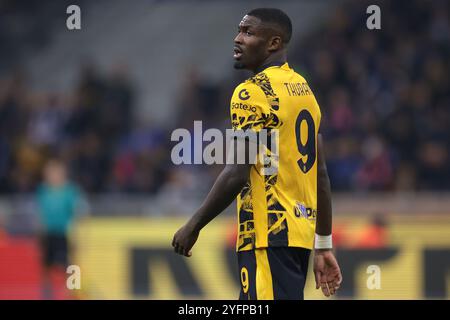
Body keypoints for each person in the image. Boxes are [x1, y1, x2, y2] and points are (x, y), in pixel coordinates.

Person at [172, 8, 342, 300]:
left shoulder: (251, 93)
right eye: (239, 31)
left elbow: (238, 171)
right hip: (297, 239)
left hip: (267, 237)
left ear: (273, 43)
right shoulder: (303, 91)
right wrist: (323, 244)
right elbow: (321, 176)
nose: (237, 39)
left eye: (248, 33)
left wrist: (193, 225)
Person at [36, 158, 87, 299]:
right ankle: (47, 295)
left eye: (54, 172)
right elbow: (40, 214)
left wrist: (77, 236)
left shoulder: (70, 191)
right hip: (48, 234)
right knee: (45, 267)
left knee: (70, 267)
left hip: (64, 234)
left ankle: (73, 293)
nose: (51, 175)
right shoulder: (43, 191)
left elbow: (77, 213)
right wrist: (39, 234)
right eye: (48, 172)